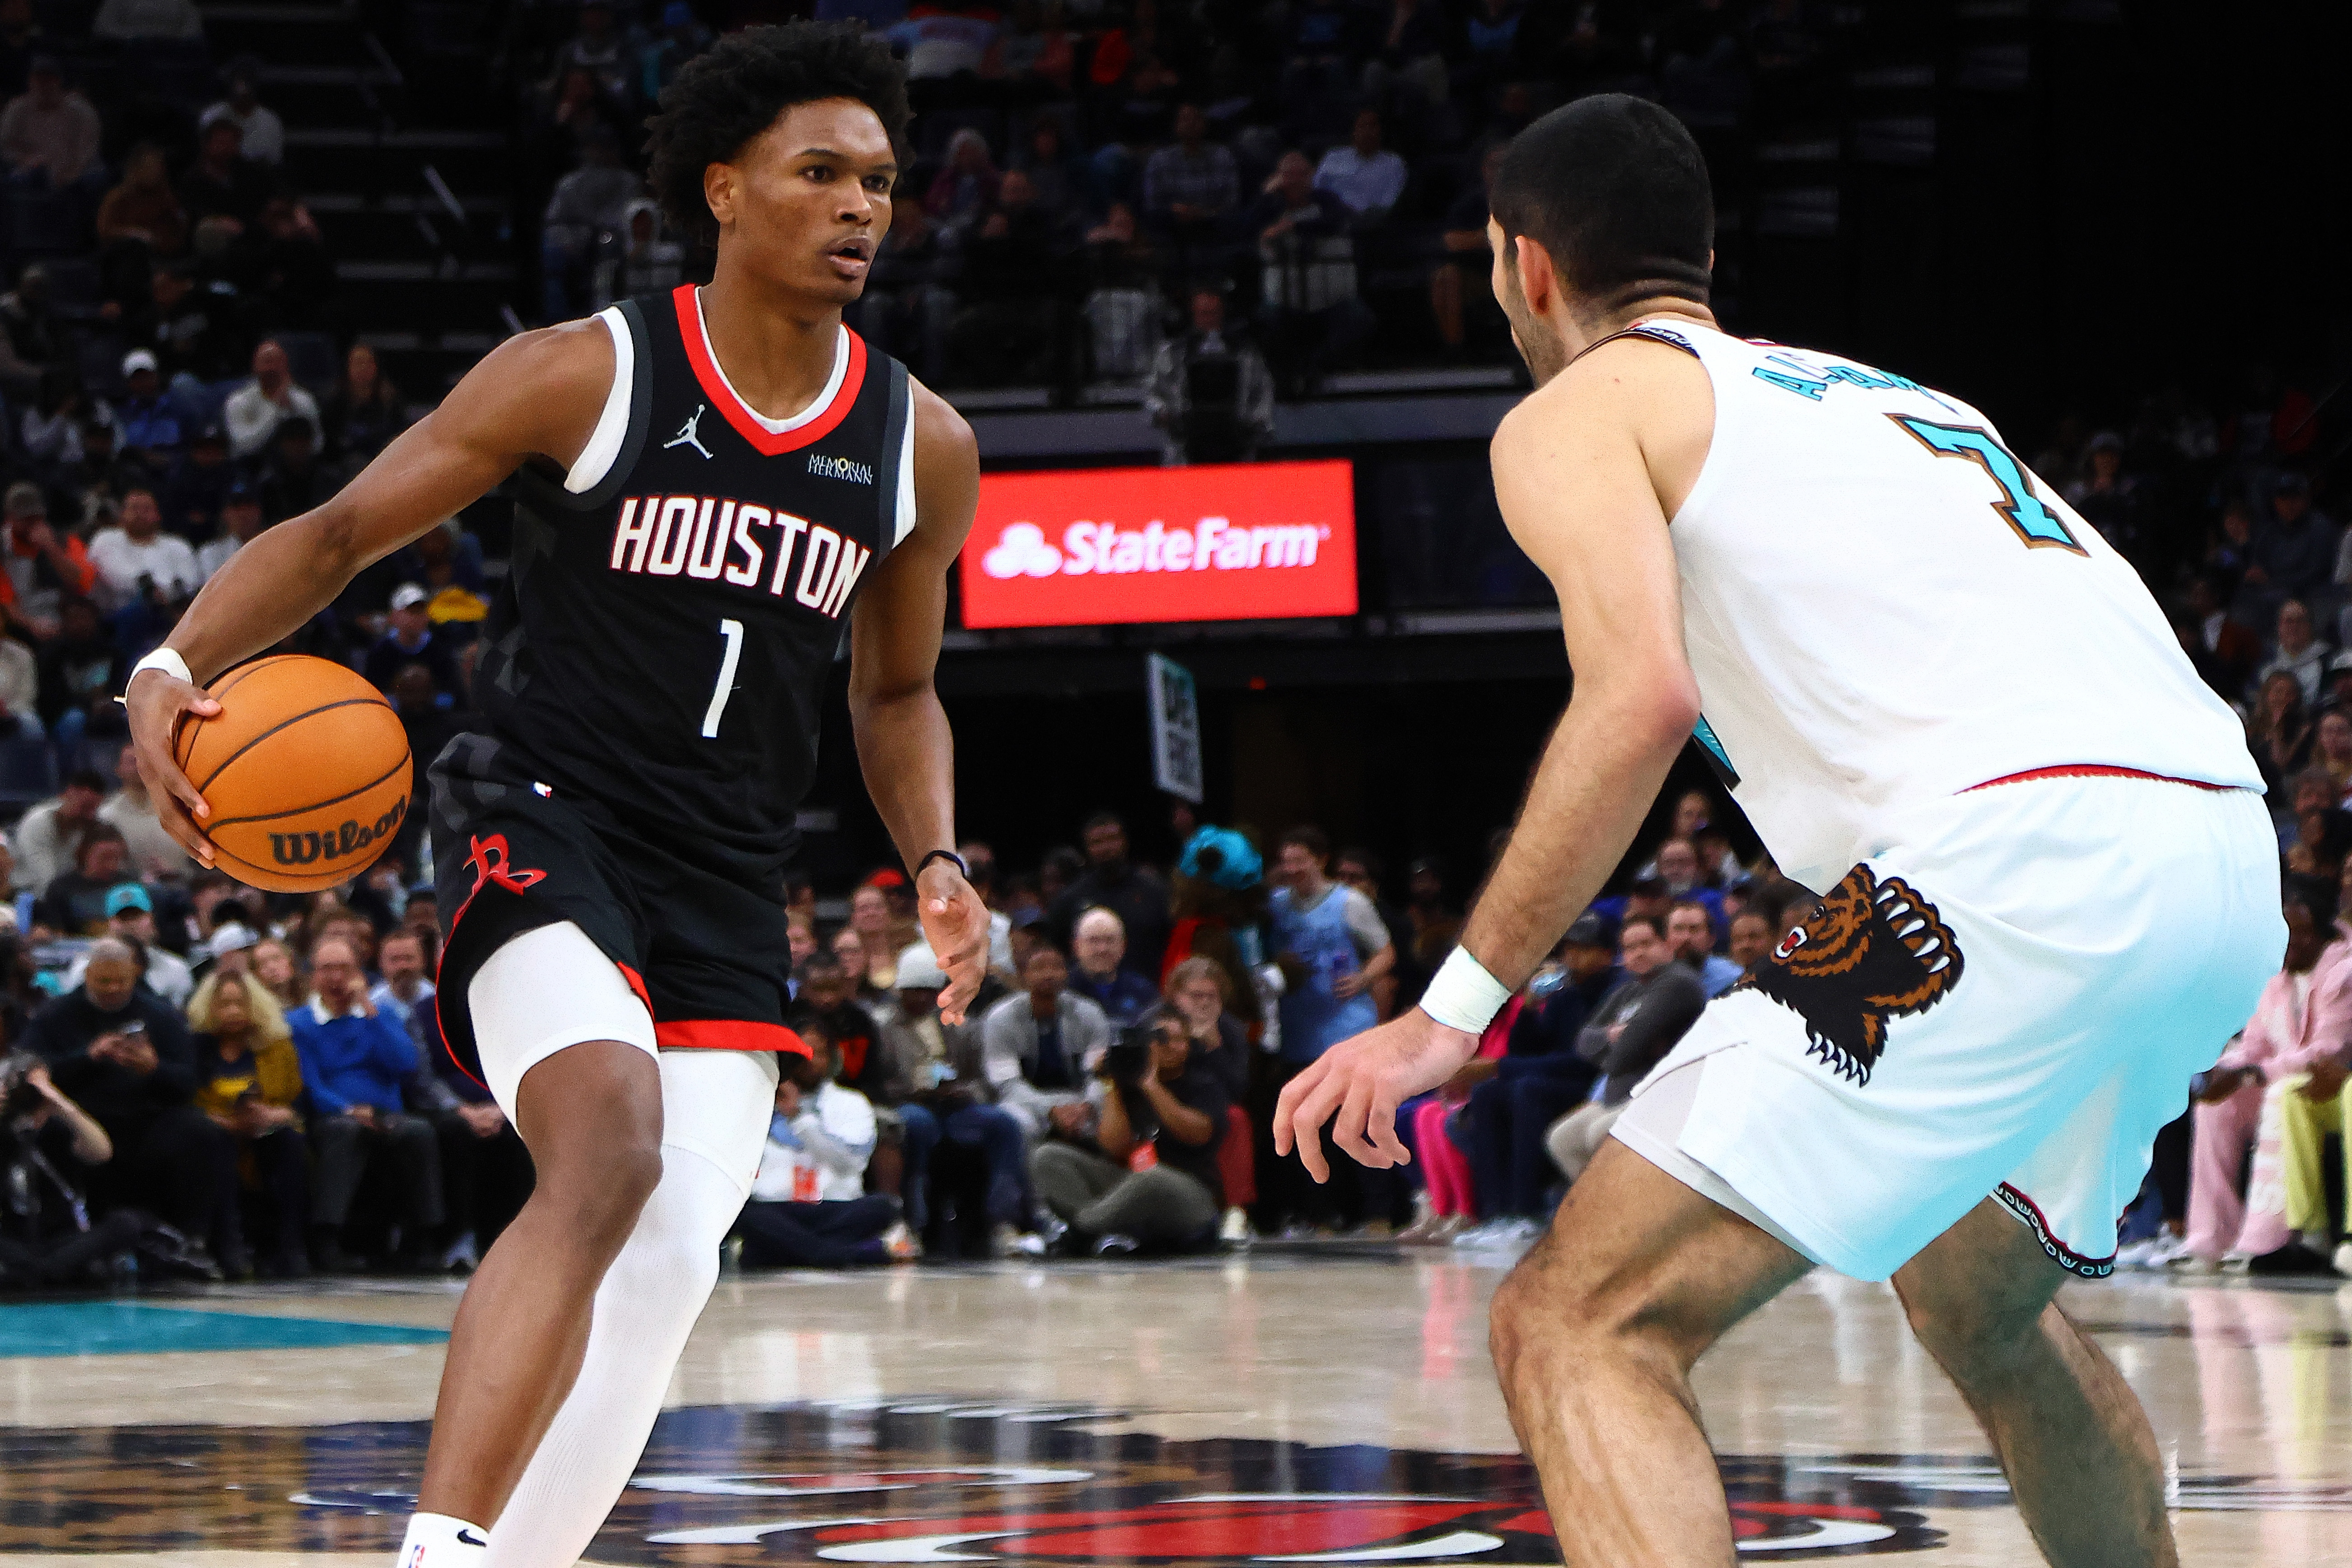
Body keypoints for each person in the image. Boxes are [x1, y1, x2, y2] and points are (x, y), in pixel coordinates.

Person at [1274, 95, 2278, 1568]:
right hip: (2215, 857)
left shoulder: (1577, 407)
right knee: (1973, 1296)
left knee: (1578, 1320)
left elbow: (1636, 701)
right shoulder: (1887, 395)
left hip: (2005, 867)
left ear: (1524, 265)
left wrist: (1444, 1015)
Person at [124, 27, 989, 1565]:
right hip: (546, 809)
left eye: (878, 181)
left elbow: (896, 690)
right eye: (820, 174)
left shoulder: (920, 442)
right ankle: (437, 1549)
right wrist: (169, 664)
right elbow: (334, 537)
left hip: (729, 870)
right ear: (723, 190)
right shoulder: (585, 371)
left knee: (669, 1266)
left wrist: (932, 855)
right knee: (605, 1134)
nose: (861, 206)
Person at [22, 937, 237, 1272]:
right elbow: (33, 1070)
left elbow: (187, 1083)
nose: (112, 989)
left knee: (199, 1132)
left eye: (121, 981)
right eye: (103, 981)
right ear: (88, 975)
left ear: (135, 975)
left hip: (147, 1122)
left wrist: (153, 1069)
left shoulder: (161, 1015)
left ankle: (193, 1239)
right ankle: (64, 1238)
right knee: (50, 1133)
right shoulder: (56, 1015)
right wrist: (88, 1058)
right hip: (83, 1123)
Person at [2179, 894, 2329, 1274]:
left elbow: (2329, 1051)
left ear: (2323, 935)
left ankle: (2265, 1241)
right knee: (2217, 1104)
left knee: (2280, 1094)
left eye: (2301, 936)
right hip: (2275, 1075)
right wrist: (2219, 1070)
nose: (2289, 945)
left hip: (2317, 1083)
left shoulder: (2341, 973)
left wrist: (2253, 1074)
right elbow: (2255, 1046)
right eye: (2286, 935)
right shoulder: (2276, 977)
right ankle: (2209, 1240)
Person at [291, 933, 443, 1274]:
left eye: (344, 968)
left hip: (386, 1112)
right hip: (335, 1113)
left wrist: (371, 1013)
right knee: (345, 1133)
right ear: (313, 975)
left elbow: (405, 1064)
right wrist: (346, 1108)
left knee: (418, 1133)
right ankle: (329, 1239)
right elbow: (310, 1083)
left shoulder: (381, 1014)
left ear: (359, 972)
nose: (336, 978)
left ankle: (424, 1239)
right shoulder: (300, 1023)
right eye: (327, 969)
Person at [1031, 1008, 1225, 1254]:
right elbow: (1113, 1146)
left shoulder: (1202, 1082)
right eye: (1163, 1039)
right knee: (1048, 1156)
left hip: (1190, 1194)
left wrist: (1151, 1085)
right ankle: (1101, 1234)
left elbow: (1197, 1134)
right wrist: (1111, 1081)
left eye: (1182, 1040)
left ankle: (1079, 1233)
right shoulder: (1127, 1080)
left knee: (1152, 1176)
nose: (1175, 1047)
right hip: (1129, 1185)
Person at [1541, 915, 1706, 1184]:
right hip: (1619, 1096)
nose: (1638, 953)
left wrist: (1616, 1044)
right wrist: (1611, 1037)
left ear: (1666, 945)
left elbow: (1622, 1058)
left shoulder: (1678, 984)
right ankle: (1598, 1214)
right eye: (1630, 948)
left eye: (1646, 944)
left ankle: (1626, 1213)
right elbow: (1582, 1041)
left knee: (1600, 1134)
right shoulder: (1629, 989)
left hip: (1662, 1094)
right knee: (1561, 1139)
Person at [885, 945, 1026, 1247]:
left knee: (1004, 1124)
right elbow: (880, 1084)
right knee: (917, 1124)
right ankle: (915, 1224)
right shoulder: (885, 1028)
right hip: (908, 1106)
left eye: (929, 991)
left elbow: (981, 1080)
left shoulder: (958, 1025)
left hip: (954, 1108)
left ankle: (1002, 1222)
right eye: (915, 991)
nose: (923, 998)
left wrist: (964, 1091)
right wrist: (913, 1091)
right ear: (901, 991)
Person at [735, 1026, 909, 1266]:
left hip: (834, 1207)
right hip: (777, 1208)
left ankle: (785, 1252)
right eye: (801, 1052)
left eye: (818, 1053)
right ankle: (855, 1254)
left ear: (832, 1059)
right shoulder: (758, 1103)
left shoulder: (852, 1103)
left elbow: (850, 1162)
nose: (809, 1060)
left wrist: (798, 1118)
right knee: (744, 1213)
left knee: (883, 1207)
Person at [187, 967, 311, 1278]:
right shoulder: (195, 1048)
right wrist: (221, 1120)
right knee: (215, 1141)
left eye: (240, 1003)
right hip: (216, 1132)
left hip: (263, 1128)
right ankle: (232, 1246)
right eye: (224, 1004)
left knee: (289, 1141)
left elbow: (293, 1101)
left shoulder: (277, 1046)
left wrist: (277, 1113)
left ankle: (290, 1246)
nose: (232, 1012)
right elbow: (187, 1102)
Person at [981, 941, 1111, 1146]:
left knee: (1111, 1114)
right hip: (1025, 1103)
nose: (1049, 974)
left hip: (1079, 1099)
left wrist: (1088, 1105)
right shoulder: (1000, 1018)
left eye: (1056, 967)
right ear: (1023, 975)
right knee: (1016, 1122)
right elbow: (1007, 1083)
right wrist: (1051, 1109)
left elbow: (1100, 1075)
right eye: (1040, 968)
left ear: (1067, 974)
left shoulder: (1089, 1013)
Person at [1046, 812, 1172, 975]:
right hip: (1086, 995)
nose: (1106, 847)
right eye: (1097, 842)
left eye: (1113, 839)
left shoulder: (1155, 892)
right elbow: (1058, 950)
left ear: (1125, 842)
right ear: (1087, 848)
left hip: (1149, 992)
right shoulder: (1070, 899)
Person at [87, 487, 202, 615]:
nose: (140, 514)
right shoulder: (106, 539)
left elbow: (191, 580)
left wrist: (166, 594)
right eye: (135, 509)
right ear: (122, 514)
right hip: (122, 614)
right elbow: (116, 578)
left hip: (173, 611)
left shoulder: (178, 545)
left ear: (158, 514)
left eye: (147, 509)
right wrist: (152, 591)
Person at [222, 339, 322, 461]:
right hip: (251, 468)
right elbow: (243, 446)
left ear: (286, 366)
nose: (271, 368)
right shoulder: (239, 401)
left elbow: (317, 444)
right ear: (255, 366)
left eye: (277, 362)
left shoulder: (303, 400)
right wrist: (275, 407)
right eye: (266, 362)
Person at [364, 583, 463, 697]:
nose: (417, 617)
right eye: (411, 611)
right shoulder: (381, 652)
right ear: (395, 615)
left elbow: (449, 691)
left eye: (421, 611)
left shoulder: (439, 649)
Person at [1069, 905, 1160, 1026]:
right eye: (1094, 941)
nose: (1103, 949)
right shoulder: (1064, 990)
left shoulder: (1143, 990)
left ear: (1124, 945)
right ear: (1077, 946)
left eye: (1110, 940)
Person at [1664, 899, 1741, 997]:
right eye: (1679, 929)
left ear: (1711, 938)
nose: (1686, 937)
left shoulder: (1733, 979)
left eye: (1695, 929)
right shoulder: (1652, 977)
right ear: (1666, 937)